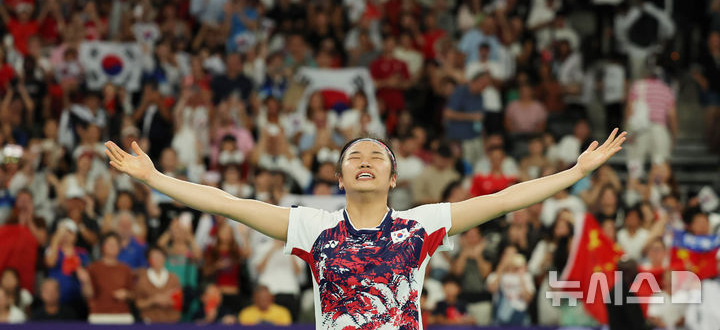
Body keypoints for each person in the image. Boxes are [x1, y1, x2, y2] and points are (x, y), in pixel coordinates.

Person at [104, 128, 626, 329]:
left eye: (378, 155)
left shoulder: (421, 225)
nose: (366, 160)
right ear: (339, 177)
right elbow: (226, 202)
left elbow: (504, 199)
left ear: (394, 177)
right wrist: (154, 178)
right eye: (355, 156)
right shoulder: (313, 227)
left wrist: (575, 173)